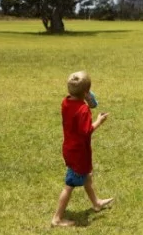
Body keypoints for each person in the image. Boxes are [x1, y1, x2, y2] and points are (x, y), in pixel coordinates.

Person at [51, 71, 113, 227]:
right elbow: (87, 132)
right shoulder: (83, 110)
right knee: (70, 184)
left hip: (69, 148)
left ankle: (96, 203)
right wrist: (99, 120)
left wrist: (84, 96)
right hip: (79, 153)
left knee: (87, 176)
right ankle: (57, 218)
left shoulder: (66, 102)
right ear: (86, 93)